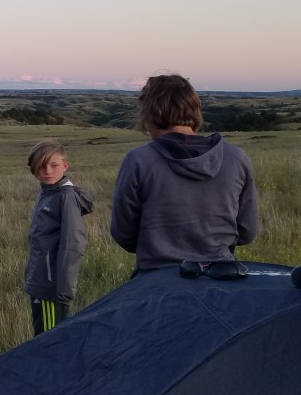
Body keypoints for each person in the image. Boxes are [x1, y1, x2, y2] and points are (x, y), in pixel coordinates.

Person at [110, 73, 260, 274]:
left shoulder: (138, 160)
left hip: (156, 280)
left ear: (149, 113)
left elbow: (123, 234)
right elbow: (247, 232)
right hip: (221, 277)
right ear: (195, 110)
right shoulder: (235, 158)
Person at [24, 139, 93, 335]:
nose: (47, 171)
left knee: (49, 338)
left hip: (51, 286)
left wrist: (62, 290)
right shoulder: (48, 192)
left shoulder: (65, 197)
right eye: (41, 166)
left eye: (54, 165)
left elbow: (73, 244)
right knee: (43, 333)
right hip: (40, 280)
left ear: (65, 165)